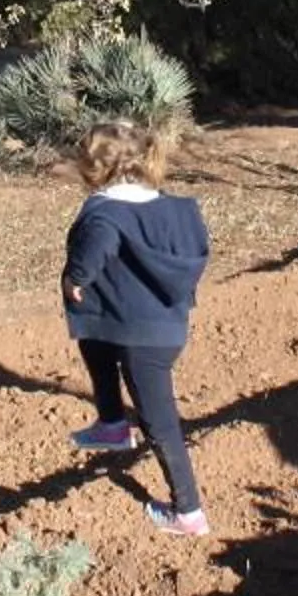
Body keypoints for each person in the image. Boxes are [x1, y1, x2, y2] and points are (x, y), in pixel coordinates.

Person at [61, 122, 215, 537]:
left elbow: (91, 256)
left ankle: (189, 512)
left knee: (160, 423)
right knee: (93, 336)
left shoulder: (106, 214)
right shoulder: (170, 207)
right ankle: (111, 422)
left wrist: (75, 279)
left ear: (94, 167)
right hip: (162, 322)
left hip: (141, 339)